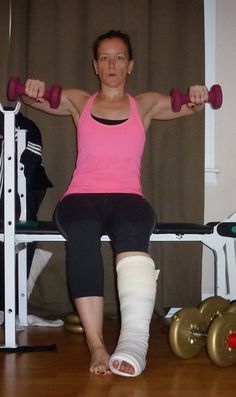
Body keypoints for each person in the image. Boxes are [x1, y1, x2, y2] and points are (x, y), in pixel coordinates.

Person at [22, 30, 207, 377]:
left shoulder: (145, 104)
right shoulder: (80, 100)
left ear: (131, 65)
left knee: (137, 225)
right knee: (83, 233)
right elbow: (38, 100)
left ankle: (132, 340)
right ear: (95, 65)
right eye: (104, 57)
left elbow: (189, 106)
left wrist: (198, 95)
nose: (112, 64)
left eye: (119, 57)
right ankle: (97, 344)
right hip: (80, 198)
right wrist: (32, 90)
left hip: (128, 198)